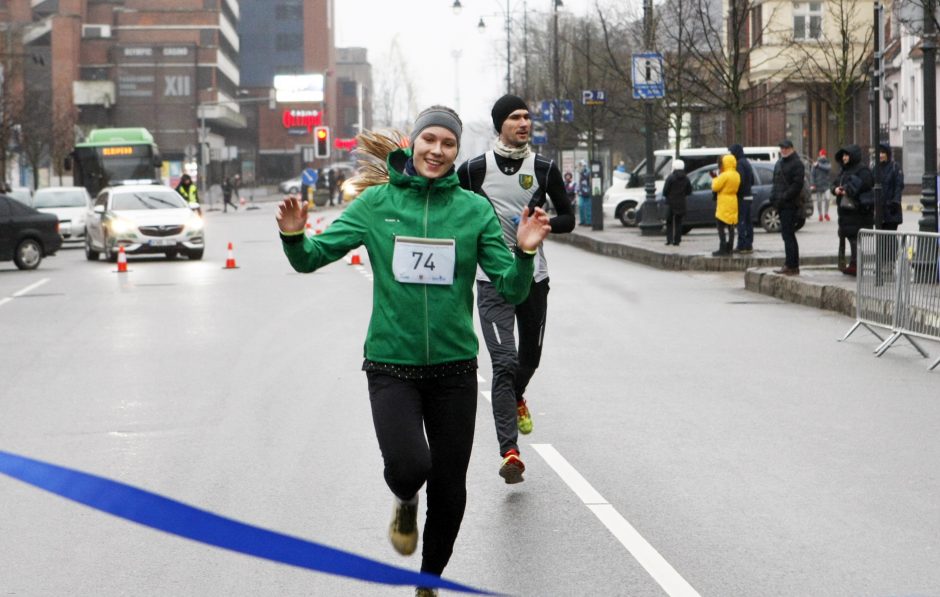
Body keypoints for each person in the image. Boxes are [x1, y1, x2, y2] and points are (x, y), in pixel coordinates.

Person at [276, 105, 551, 597]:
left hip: (454, 371)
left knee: (450, 491)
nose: (437, 151)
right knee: (410, 468)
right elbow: (312, 258)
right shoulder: (376, 203)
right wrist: (294, 236)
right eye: (431, 141)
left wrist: (525, 253)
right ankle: (405, 499)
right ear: (415, 143)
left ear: (455, 152)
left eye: (448, 144)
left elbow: (509, 289)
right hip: (391, 364)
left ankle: (428, 582)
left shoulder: (472, 210)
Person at [457, 94, 575, 485]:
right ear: (499, 125)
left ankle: (517, 395)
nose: (524, 123)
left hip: (534, 277)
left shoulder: (543, 168)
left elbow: (569, 218)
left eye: (527, 116)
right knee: (503, 362)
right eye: (515, 117)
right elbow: (448, 205)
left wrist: (546, 225)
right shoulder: (474, 171)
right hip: (491, 281)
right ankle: (510, 451)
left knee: (529, 359)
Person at [831, 144, 874, 276]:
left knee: (855, 237)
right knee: (849, 236)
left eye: (847, 155)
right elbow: (835, 183)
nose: (844, 158)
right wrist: (835, 189)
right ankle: (853, 263)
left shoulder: (862, 170)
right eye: (843, 155)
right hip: (845, 210)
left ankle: (856, 264)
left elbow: (865, 185)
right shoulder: (844, 170)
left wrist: (847, 189)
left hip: (857, 211)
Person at [769, 139, 806, 275]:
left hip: (790, 205)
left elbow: (797, 185)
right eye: (781, 148)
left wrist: (784, 197)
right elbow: (775, 182)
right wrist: (773, 198)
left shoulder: (797, 164)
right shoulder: (779, 163)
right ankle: (790, 264)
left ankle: (791, 265)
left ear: (792, 148)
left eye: (786, 148)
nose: (783, 150)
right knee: (786, 235)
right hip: (781, 204)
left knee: (788, 235)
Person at [710, 154, 740, 256]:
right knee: (731, 226)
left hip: (724, 202)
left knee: (720, 225)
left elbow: (715, 187)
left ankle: (722, 247)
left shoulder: (724, 175)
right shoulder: (736, 174)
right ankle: (730, 247)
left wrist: (714, 178)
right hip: (733, 201)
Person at [729, 144, 755, 254]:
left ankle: (742, 245)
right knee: (748, 221)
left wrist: (735, 190)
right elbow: (752, 179)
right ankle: (749, 244)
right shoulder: (747, 162)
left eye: (731, 152)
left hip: (742, 197)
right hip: (749, 195)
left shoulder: (739, 164)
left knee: (741, 221)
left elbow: (740, 180)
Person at [662, 158, 691, 246]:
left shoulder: (670, 177)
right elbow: (689, 190)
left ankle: (669, 239)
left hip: (670, 202)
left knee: (669, 222)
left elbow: (665, 191)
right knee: (679, 222)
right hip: (681, 202)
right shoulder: (686, 178)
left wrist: (668, 195)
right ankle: (677, 240)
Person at [876, 143, 904, 232]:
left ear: (887, 154)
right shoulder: (875, 168)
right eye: (879, 153)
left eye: (883, 153)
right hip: (879, 210)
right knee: (881, 239)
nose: (880, 155)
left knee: (890, 238)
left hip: (891, 210)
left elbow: (899, 186)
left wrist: (895, 203)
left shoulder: (895, 167)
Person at [811, 149, 832, 222]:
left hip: (826, 184)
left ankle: (826, 213)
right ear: (819, 155)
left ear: (825, 155)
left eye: (823, 155)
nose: (822, 156)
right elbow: (812, 175)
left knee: (828, 198)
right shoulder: (815, 164)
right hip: (818, 184)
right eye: (821, 154)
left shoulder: (827, 162)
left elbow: (828, 168)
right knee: (819, 201)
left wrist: (818, 165)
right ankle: (820, 215)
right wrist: (813, 184)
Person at [577, 160, 592, 226]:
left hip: (587, 192)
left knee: (588, 207)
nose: (579, 167)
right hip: (581, 192)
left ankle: (589, 221)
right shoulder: (581, 172)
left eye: (580, 165)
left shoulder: (588, 172)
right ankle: (583, 221)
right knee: (581, 206)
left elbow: (590, 182)